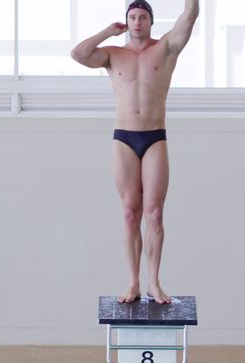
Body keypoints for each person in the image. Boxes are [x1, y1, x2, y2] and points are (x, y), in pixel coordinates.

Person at [71, 0, 199, 304]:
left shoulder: (167, 48)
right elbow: (77, 54)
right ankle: (133, 283)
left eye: (143, 17)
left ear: (151, 22)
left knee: (154, 214)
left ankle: (154, 282)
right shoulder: (113, 55)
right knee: (131, 213)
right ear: (126, 22)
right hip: (124, 138)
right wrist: (106, 32)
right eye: (132, 17)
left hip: (154, 137)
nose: (137, 22)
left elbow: (190, 15)